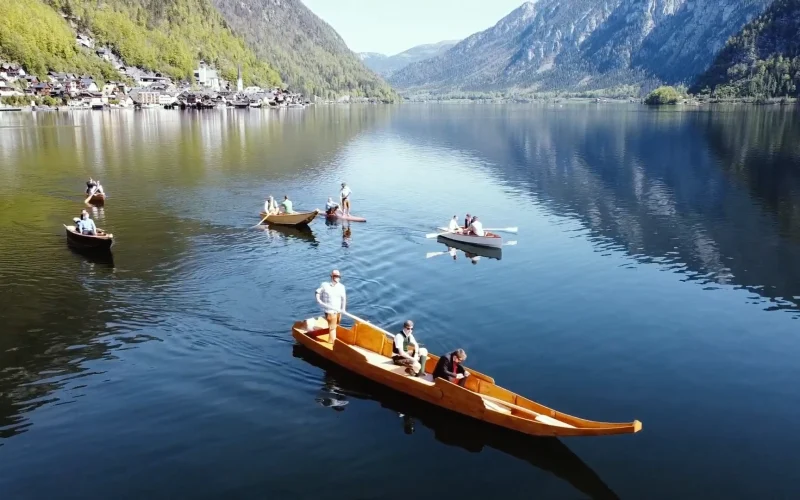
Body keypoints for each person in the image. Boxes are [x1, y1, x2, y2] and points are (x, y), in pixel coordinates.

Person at [315, 269, 346, 344]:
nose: (337, 278)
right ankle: (332, 344)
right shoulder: (325, 285)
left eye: (339, 276)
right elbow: (317, 292)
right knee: (332, 328)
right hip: (330, 311)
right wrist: (318, 299)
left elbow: (344, 298)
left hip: (338, 311)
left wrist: (343, 309)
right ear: (331, 276)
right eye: (335, 276)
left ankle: (333, 338)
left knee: (336, 325)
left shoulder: (341, 287)